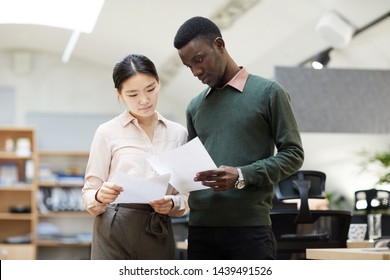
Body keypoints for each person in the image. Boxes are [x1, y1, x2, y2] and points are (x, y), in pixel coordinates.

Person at [173, 16, 304, 260]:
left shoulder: (268, 93)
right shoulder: (194, 107)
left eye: (199, 60)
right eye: (189, 66)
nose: (195, 71)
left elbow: (294, 154)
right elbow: (193, 166)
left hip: (250, 231)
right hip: (200, 230)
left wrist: (242, 175)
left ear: (219, 45)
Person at [82, 54, 189, 260]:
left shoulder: (178, 134)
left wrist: (173, 203)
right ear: (120, 94)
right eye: (132, 94)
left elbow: (184, 198)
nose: (144, 100)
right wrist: (99, 196)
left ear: (158, 83)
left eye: (151, 89)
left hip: (157, 226)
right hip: (114, 226)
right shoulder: (107, 132)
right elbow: (88, 195)